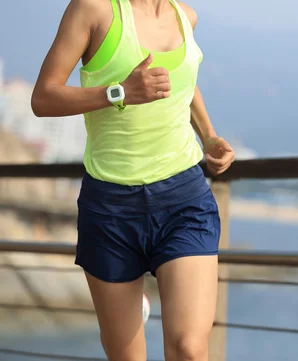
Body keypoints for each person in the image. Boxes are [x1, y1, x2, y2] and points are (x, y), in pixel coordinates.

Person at [31, 0, 235, 360]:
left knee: (189, 348)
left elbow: (181, 84)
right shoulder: (92, 10)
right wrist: (119, 92)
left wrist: (209, 136)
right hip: (111, 208)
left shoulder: (186, 17)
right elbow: (43, 97)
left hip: (183, 198)